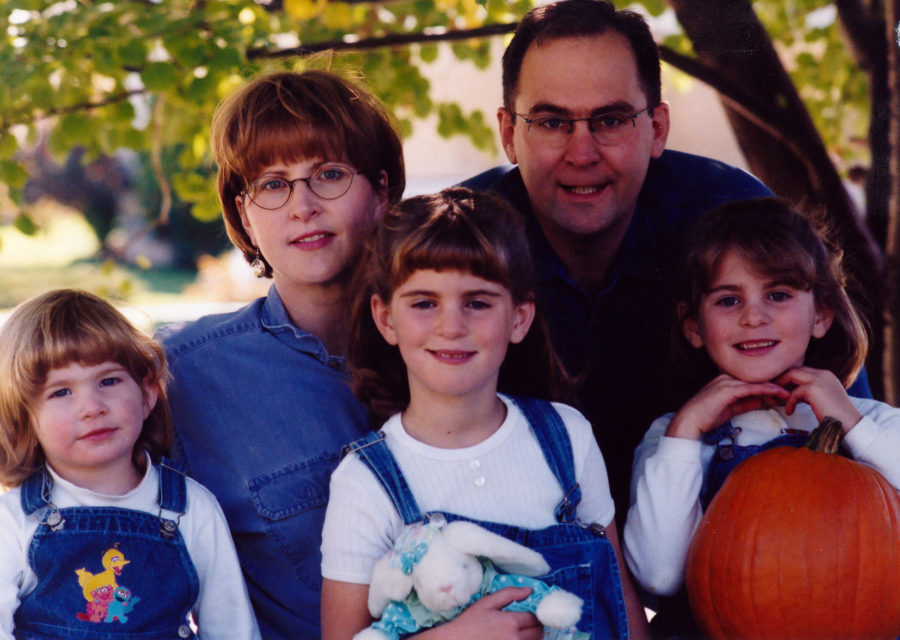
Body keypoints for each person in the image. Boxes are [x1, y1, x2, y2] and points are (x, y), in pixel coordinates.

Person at [461, 0, 800, 520]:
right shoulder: (462, 242)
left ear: (658, 127)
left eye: (611, 119)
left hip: (727, 538)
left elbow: (836, 416)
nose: (582, 152)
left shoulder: (735, 220)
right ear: (509, 133)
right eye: (551, 122)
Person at [320, 187, 649, 640]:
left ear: (519, 317)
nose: (451, 326)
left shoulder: (565, 439)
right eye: (424, 303)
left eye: (477, 302)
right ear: (385, 318)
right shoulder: (366, 479)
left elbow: (619, 601)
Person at [155, 70, 405, 639]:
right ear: (245, 214)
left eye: (330, 175)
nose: (303, 206)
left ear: (383, 190)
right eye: (273, 184)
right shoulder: (184, 378)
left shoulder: (457, 341)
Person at [623, 198, 900, 635]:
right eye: (729, 300)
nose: (754, 316)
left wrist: (850, 422)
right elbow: (659, 575)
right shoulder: (675, 440)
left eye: (778, 294)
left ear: (822, 314)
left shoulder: (873, 422)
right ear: (694, 326)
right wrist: (686, 432)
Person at [0, 289, 260, 640]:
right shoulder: (14, 520)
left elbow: (231, 628)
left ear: (148, 393)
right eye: (61, 392)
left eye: (109, 381)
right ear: (24, 417)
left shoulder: (190, 509)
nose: (92, 407)